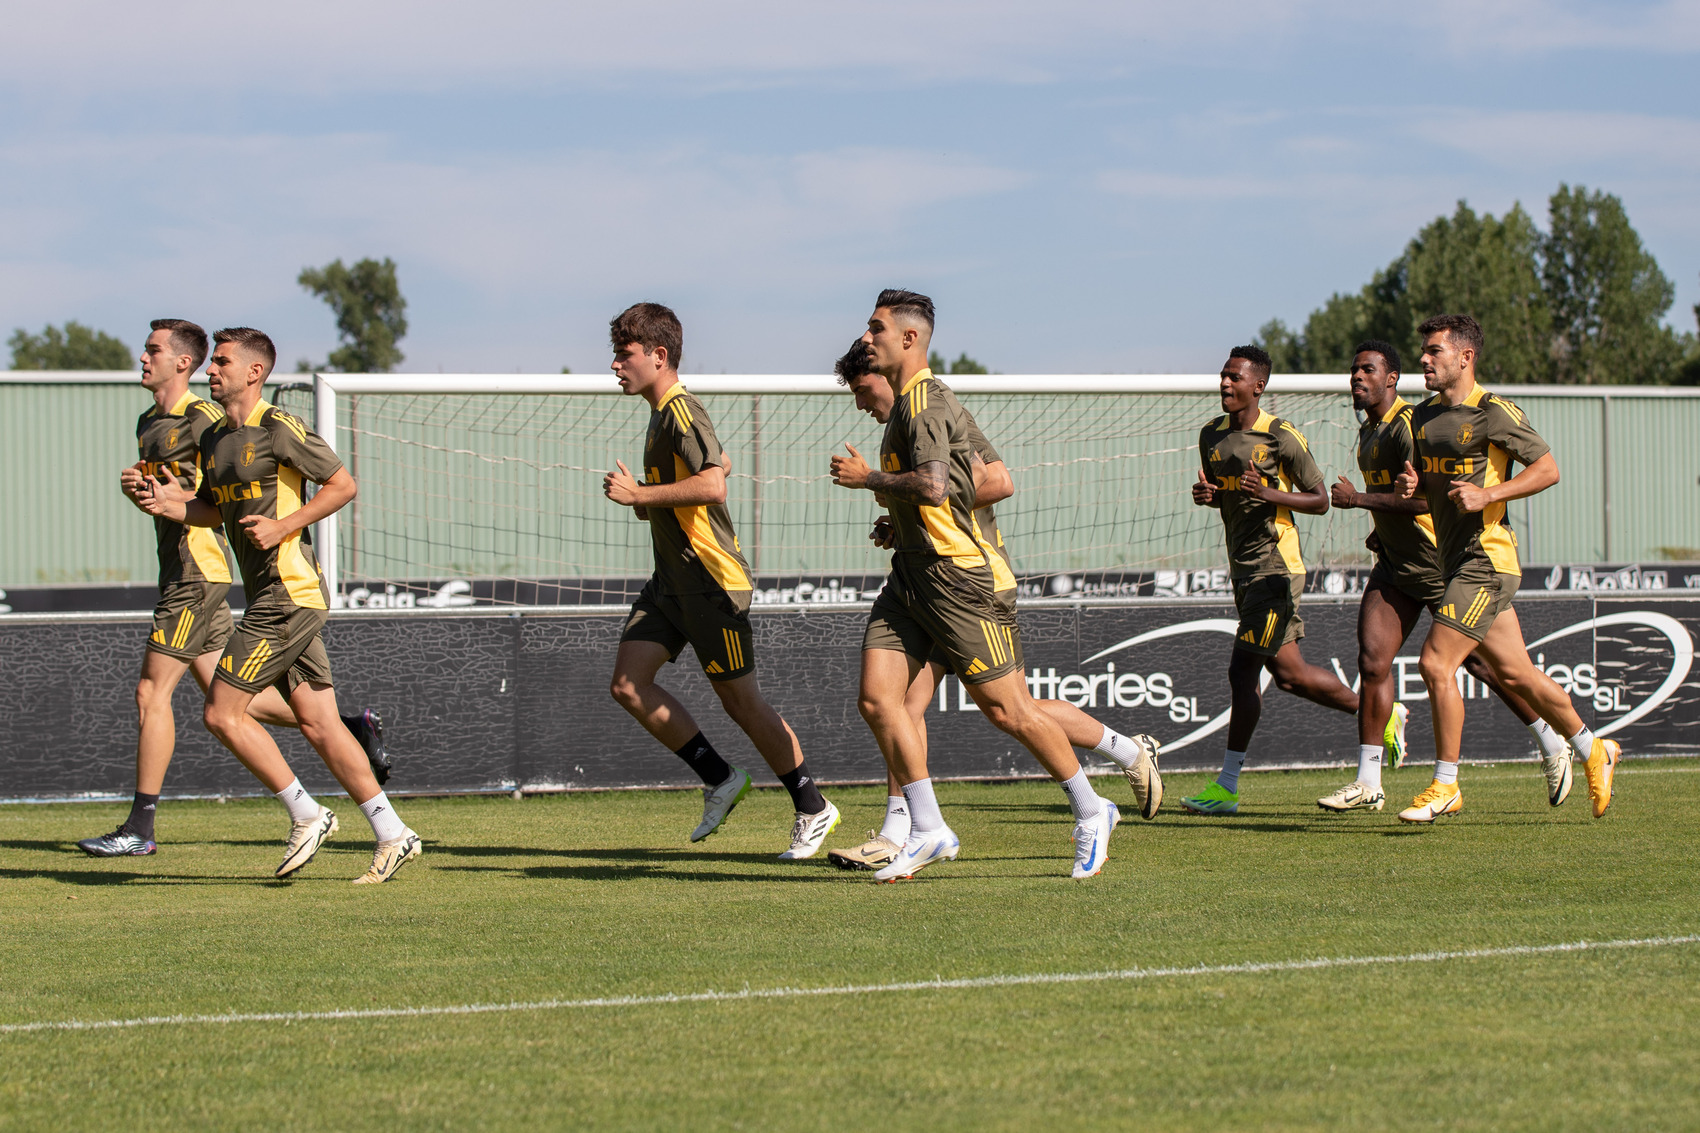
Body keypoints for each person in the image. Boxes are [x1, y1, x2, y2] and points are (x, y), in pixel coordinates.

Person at [823, 340, 1161, 870]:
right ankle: (916, 828)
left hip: (964, 579)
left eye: (863, 390)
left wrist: (878, 484)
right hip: (917, 576)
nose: (861, 404)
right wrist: (904, 521)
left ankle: (1098, 796)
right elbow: (936, 492)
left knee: (1009, 710)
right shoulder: (904, 421)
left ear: (891, 367)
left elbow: (993, 481)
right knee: (886, 702)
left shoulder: (933, 405)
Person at [79, 319, 388, 859]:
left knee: (167, 698)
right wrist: (154, 499)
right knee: (250, 703)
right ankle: (361, 761)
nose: (143, 357)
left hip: (206, 576)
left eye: (154, 349)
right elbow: (205, 502)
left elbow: (327, 485)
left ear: (187, 363)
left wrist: (281, 525)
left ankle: (144, 827)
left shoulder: (213, 420)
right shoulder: (161, 423)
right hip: (217, 575)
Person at [139, 327, 420, 883]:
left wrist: (286, 524)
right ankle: (394, 834)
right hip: (272, 596)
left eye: (221, 363)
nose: (211, 372)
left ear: (254, 372)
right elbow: (212, 515)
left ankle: (306, 813)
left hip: (289, 594)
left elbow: (342, 484)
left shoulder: (279, 428)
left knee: (222, 712)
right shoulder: (216, 436)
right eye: (211, 363)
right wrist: (172, 504)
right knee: (319, 724)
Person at [602, 303, 841, 859]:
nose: (615, 365)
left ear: (659, 357)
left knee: (743, 703)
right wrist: (647, 498)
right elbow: (720, 464)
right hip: (671, 584)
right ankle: (719, 777)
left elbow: (713, 484)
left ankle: (813, 806)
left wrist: (639, 495)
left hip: (711, 582)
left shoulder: (682, 411)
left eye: (625, 354)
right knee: (627, 684)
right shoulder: (661, 415)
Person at [1318, 340, 1577, 812]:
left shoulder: (1408, 425)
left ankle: (1551, 741)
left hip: (1438, 563)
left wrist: (1361, 502)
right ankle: (1368, 780)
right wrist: (1381, 530)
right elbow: (1404, 497)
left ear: (1390, 378)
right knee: (1374, 662)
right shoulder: (1369, 431)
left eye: (1367, 370)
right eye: (1353, 370)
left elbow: (1424, 500)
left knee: (1489, 668)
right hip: (1397, 565)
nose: (1356, 377)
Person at [1393, 314, 1620, 823]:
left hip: (1487, 560)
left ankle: (1446, 784)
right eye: (1424, 352)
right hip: (1456, 562)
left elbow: (1548, 469)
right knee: (1516, 674)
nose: (1425, 360)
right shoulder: (1422, 417)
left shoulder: (1493, 411)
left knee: (1435, 663)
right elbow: (1437, 493)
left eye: (1434, 351)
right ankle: (1592, 750)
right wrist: (1414, 491)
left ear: (1464, 357)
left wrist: (1490, 493)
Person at [1185, 345, 1359, 815]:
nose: (1225, 384)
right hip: (1243, 569)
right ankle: (1378, 713)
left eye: (1234, 378)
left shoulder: (1280, 435)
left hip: (1277, 570)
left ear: (1257, 386)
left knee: (1243, 672)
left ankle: (1226, 787)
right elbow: (1227, 498)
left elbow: (1320, 499)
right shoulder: (1211, 436)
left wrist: (1269, 492)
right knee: (1290, 675)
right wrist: (1209, 495)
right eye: (1222, 376)